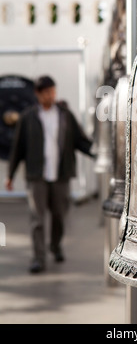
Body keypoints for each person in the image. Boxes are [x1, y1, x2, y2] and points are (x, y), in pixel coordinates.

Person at [5, 75, 95, 274]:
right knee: (37, 218)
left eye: (53, 91)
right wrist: (10, 175)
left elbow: (80, 140)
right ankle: (38, 258)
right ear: (37, 94)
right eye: (46, 92)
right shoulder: (28, 117)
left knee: (59, 216)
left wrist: (97, 153)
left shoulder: (64, 115)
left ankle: (55, 245)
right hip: (36, 176)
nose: (51, 96)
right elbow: (18, 149)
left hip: (61, 175)